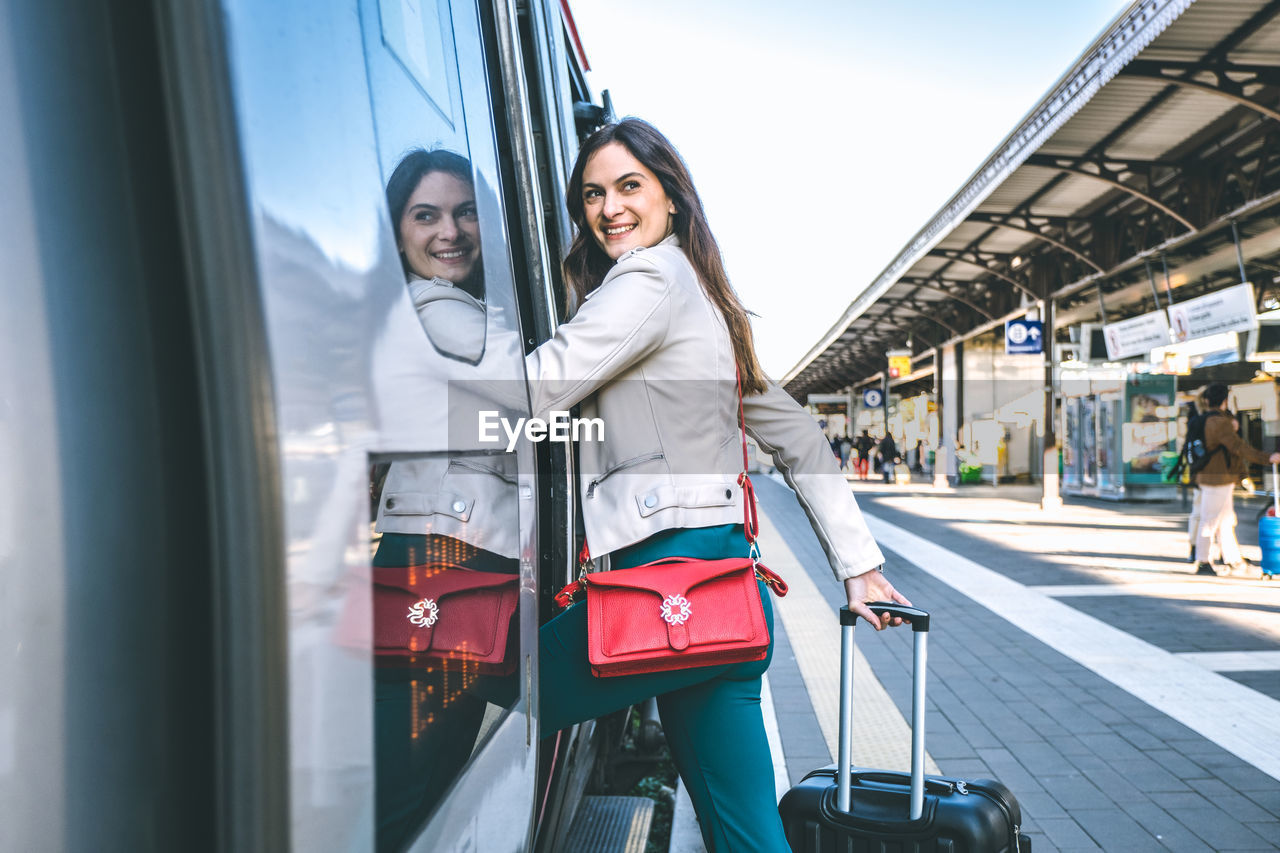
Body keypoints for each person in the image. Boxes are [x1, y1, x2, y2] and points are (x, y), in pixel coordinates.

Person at [526, 119, 908, 852]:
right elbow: (796, 433)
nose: (610, 208)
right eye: (592, 194)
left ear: (671, 194)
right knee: (747, 835)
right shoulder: (703, 296)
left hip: (662, 591)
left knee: (479, 693)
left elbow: (536, 387)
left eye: (629, 186)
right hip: (724, 598)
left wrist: (385, 417)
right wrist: (860, 567)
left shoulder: (647, 278)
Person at [1193, 382, 1280, 577]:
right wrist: (1267, 458)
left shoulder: (1207, 419)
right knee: (1210, 521)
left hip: (1212, 477)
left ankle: (1232, 559)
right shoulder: (1219, 422)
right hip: (1218, 479)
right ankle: (1204, 560)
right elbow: (1239, 448)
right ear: (1224, 401)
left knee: (1225, 520)